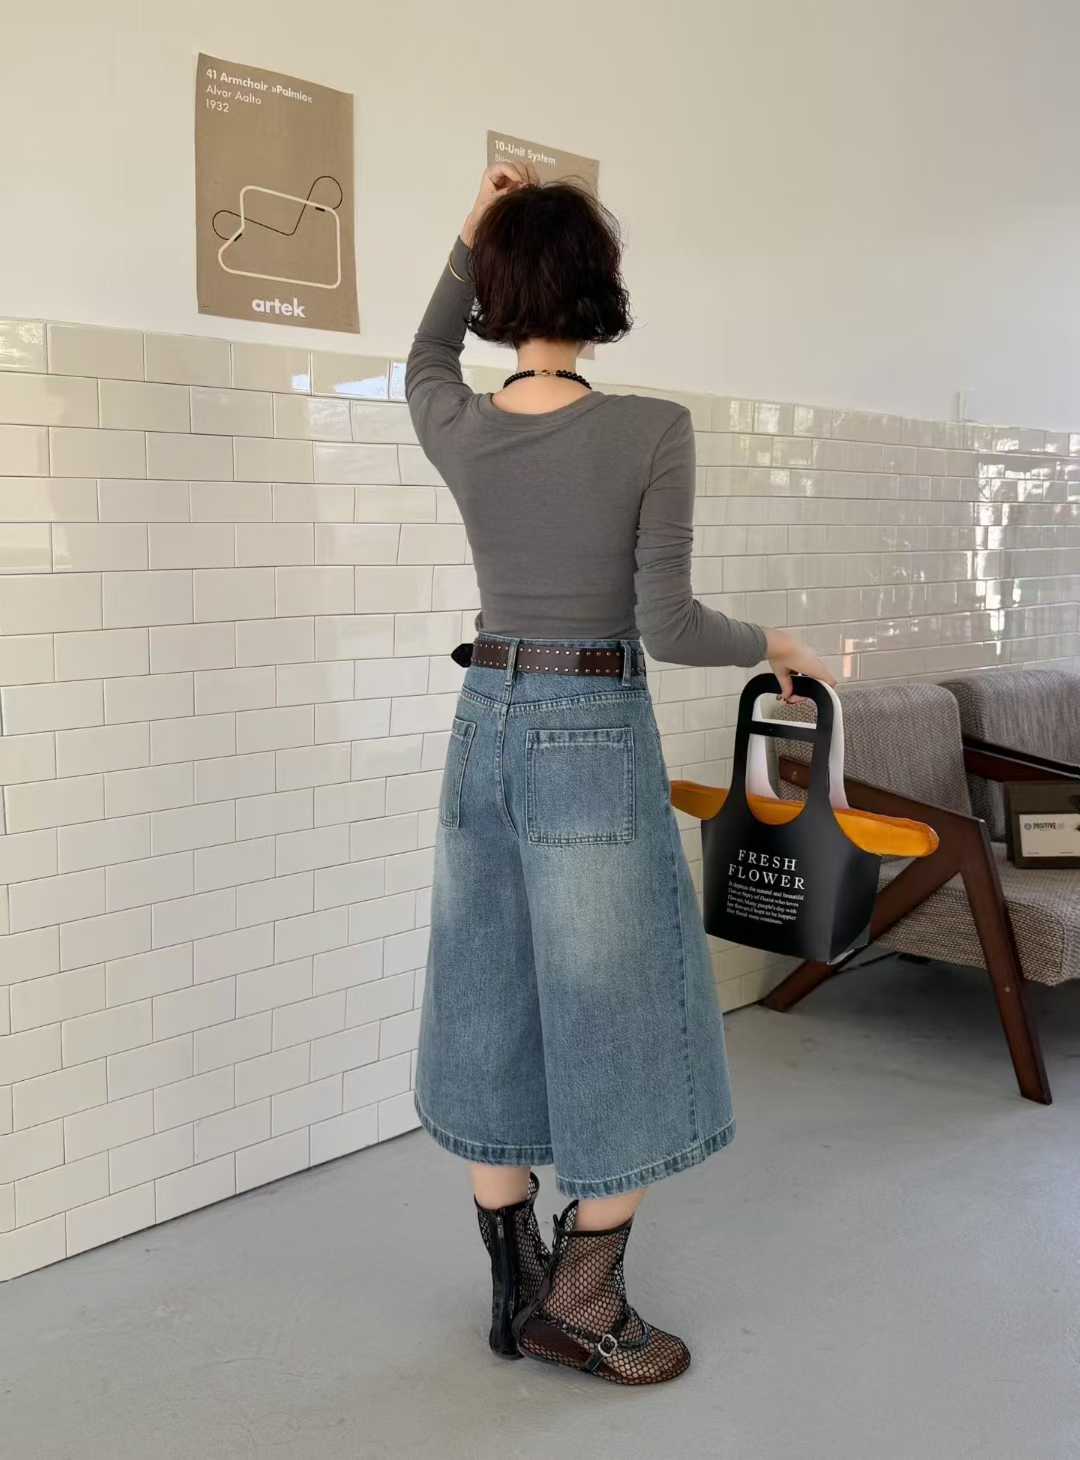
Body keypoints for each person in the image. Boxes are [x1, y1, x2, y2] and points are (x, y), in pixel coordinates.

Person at [404, 162, 837, 1386]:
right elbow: (672, 624)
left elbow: (425, 353)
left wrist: (470, 233)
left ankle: (515, 1289)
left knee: (487, 986)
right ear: (600, 287)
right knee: (630, 1007)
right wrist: (779, 642)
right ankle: (582, 1302)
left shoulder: (460, 423)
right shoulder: (651, 430)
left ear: (498, 292)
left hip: (483, 718)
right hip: (591, 724)